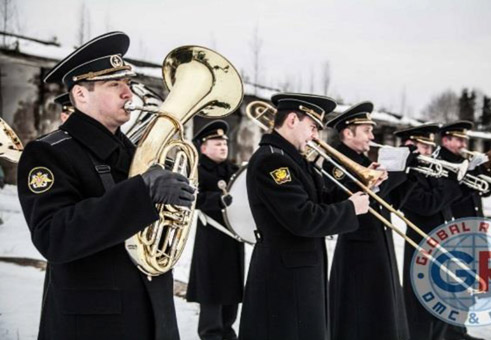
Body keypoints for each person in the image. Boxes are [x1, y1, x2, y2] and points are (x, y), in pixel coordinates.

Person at [17, 31, 195, 340]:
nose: (129, 93)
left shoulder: (136, 153)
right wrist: (142, 191)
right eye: (115, 84)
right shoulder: (49, 152)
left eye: (127, 83)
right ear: (81, 95)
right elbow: (53, 236)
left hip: (154, 316)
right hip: (95, 324)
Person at [238, 93, 370, 340]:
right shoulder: (273, 161)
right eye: (312, 127)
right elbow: (303, 218)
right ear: (291, 120)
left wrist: (359, 189)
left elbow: (318, 201)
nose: (315, 136)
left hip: (299, 272)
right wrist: (350, 209)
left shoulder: (292, 159)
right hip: (284, 278)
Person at [324, 102, 410, 340]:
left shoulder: (361, 161)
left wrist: (406, 172)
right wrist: (392, 177)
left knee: (379, 307)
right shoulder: (337, 162)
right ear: (348, 133)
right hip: (358, 245)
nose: (372, 136)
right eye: (366, 131)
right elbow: (355, 200)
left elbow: (390, 201)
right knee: (360, 311)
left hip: (377, 240)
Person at [392, 124, 464, 340]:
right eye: (423, 146)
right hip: (420, 242)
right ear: (409, 145)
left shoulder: (430, 169)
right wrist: (451, 185)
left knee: (444, 295)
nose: (429, 151)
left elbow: (444, 200)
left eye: (429, 146)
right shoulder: (405, 174)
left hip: (442, 239)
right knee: (420, 300)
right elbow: (427, 204)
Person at [186, 120, 244, 340]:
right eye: (217, 143)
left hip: (233, 241)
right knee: (211, 304)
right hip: (211, 242)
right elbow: (193, 198)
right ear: (203, 147)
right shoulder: (196, 171)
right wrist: (218, 200)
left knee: (230, 307)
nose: (223, 147)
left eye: (224, 143)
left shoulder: (233, 170)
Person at [438, 121, 490, 340]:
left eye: (464, 140)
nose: (463, 144)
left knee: (470, 284)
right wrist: (463, 173)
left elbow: (485, 190)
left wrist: (481, 169)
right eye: (458, 139)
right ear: (446, 140)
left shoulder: (464, 161)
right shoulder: (440, 162)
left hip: (474, 228)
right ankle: (449, 332)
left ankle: (459, 330)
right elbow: (451, 194)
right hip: (455, 228)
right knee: (454, 285)